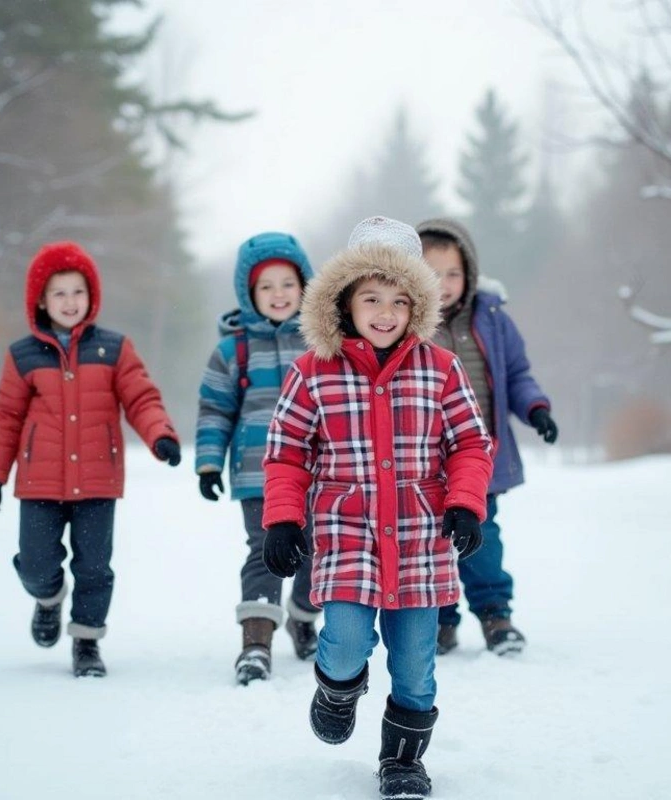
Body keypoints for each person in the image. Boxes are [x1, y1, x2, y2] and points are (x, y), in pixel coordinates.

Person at [262, 216, 493, 800]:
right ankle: (337, 689)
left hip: (420, 538)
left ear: (416, 304)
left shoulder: (440, 369)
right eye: (371, 298)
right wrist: (284, 518)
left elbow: (469, 442)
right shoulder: (314, 371)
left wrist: (465, 503)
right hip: (347, 535)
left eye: (398, 299)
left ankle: (402, 763)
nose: (385, 312)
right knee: (341, 640)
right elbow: (286, 452)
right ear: (345, 301)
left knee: (416, 664)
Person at [0, 241, 182, 678]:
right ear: (41, 301)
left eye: (77, 292)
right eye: (59, 293)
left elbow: (141, 397)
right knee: (35, 562)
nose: (70, 302)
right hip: (40, 482)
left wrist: (160, 434)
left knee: (93, 567)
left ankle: (86, 642)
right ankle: (48, 599)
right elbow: (7, 417)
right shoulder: (23, 355)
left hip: (97, 481)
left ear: (92, 297)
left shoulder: (113, 348)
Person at [414, 218, 559, 657]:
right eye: (430, 272)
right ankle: (439, 619)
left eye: (453, 273)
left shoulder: (492, 319)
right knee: (428, 543)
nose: (443, 284)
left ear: (470, 274)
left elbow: (516, 373)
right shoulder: (407, 322)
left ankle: (496, 615)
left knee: (483, 537)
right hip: (422, 460)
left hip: (480, 457)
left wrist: (536, 409)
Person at [194, 231, 322, 685]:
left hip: (320, 472)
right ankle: (256, 643)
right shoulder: (234, 349)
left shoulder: (321, 343)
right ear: (249, 295)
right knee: (265, 552)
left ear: (305, 285)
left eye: (287, 284)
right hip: (257, 473)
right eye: (266, 286)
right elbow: (214, 408)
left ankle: (304, 616)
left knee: (317, 552)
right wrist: (209, 462)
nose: (278, 295)